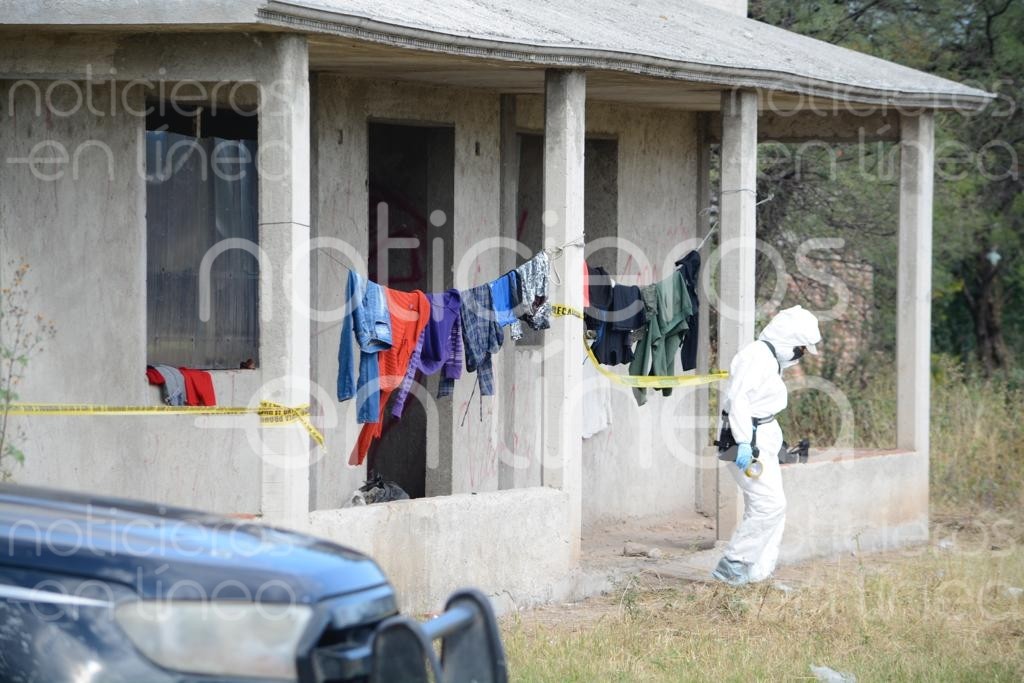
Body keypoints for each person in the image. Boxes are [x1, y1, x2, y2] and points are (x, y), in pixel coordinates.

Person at [711, 305, 822, 586]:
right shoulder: (756, 357)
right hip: (746, 441)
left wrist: (780, 447)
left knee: (773, 508)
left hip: (761, 440)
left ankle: (757, 574)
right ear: (789, 340)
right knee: (769, 505)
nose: (800, 355)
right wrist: (745, 443)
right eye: (800, 348)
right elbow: (739, 402)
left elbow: (764, 408)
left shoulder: (770, 360)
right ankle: (733, 566)